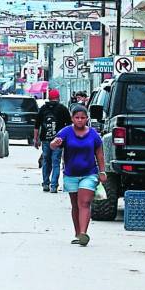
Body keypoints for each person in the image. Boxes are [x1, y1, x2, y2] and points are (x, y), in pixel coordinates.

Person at [51, 104, 106, 247]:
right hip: (71, 175)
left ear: (87, 119)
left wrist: (102, 171)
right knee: (75, 205)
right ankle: (77, 234)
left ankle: (83, 233)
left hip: (89, 174)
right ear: (72, 118)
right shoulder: (66, 132)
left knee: (85, 203)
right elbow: (53, 144)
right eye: (77, 118)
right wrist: (55, 143)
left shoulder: (93, 134)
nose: (80, 120)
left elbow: (99, 154)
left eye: (83, 118)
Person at [35, 89, 72, 193]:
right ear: (58, 97)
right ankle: (54, 186)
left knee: (46, 161)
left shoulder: (43, 108)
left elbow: (37, 125)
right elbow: (69, 126)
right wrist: (68, 139)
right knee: (56, 162)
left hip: (45, 140)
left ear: (49, 98)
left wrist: (36, 139)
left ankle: (45, 183)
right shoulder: (63, 109)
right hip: (58, 141)